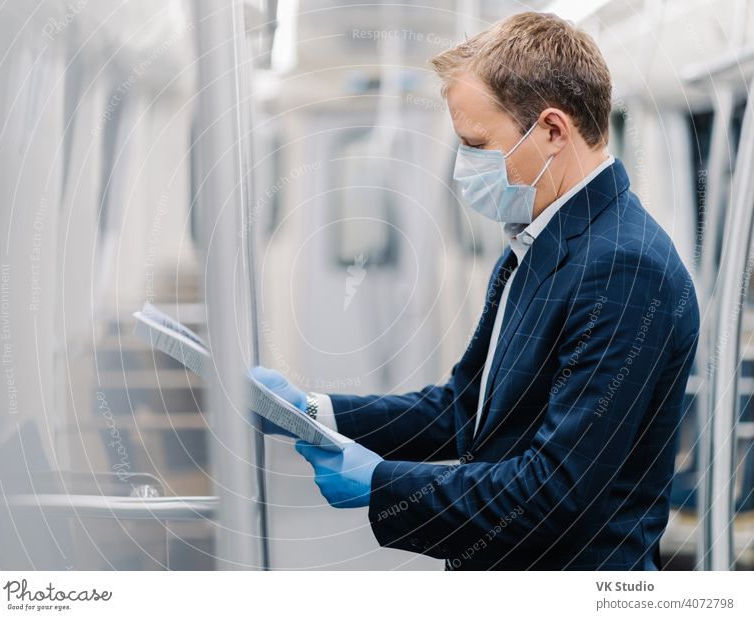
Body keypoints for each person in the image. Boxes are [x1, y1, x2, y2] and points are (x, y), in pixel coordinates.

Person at [253, 11, 700, 570]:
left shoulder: (626, 270)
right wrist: (317, 413)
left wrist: (384, 485)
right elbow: (468, 407)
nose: (467, 166)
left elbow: (555, 490)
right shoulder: (537, 243)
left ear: (554, 131)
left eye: (476, 143)